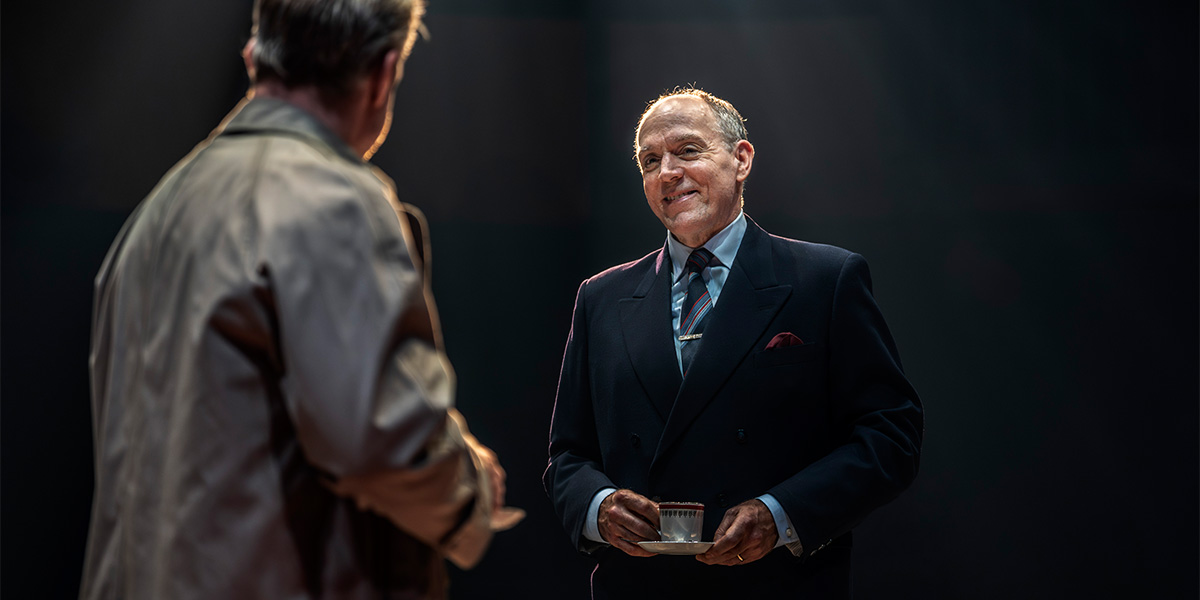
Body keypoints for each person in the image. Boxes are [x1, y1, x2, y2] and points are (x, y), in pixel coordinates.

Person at [80, 1, 520, 598]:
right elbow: (380, 441)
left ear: (253, 56)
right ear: (383, 75)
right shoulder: (332, 196)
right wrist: (469, 482)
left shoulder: (157, 213)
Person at [544, 88, 923, 598]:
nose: (667, 173)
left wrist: (782, 513)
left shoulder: (826, 279)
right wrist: (598, 507)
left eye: (688, 151)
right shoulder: (600, 297)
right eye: (650, 161)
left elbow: (890, 434)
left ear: (741, 159)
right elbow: (567, 455)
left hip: (777, 584)